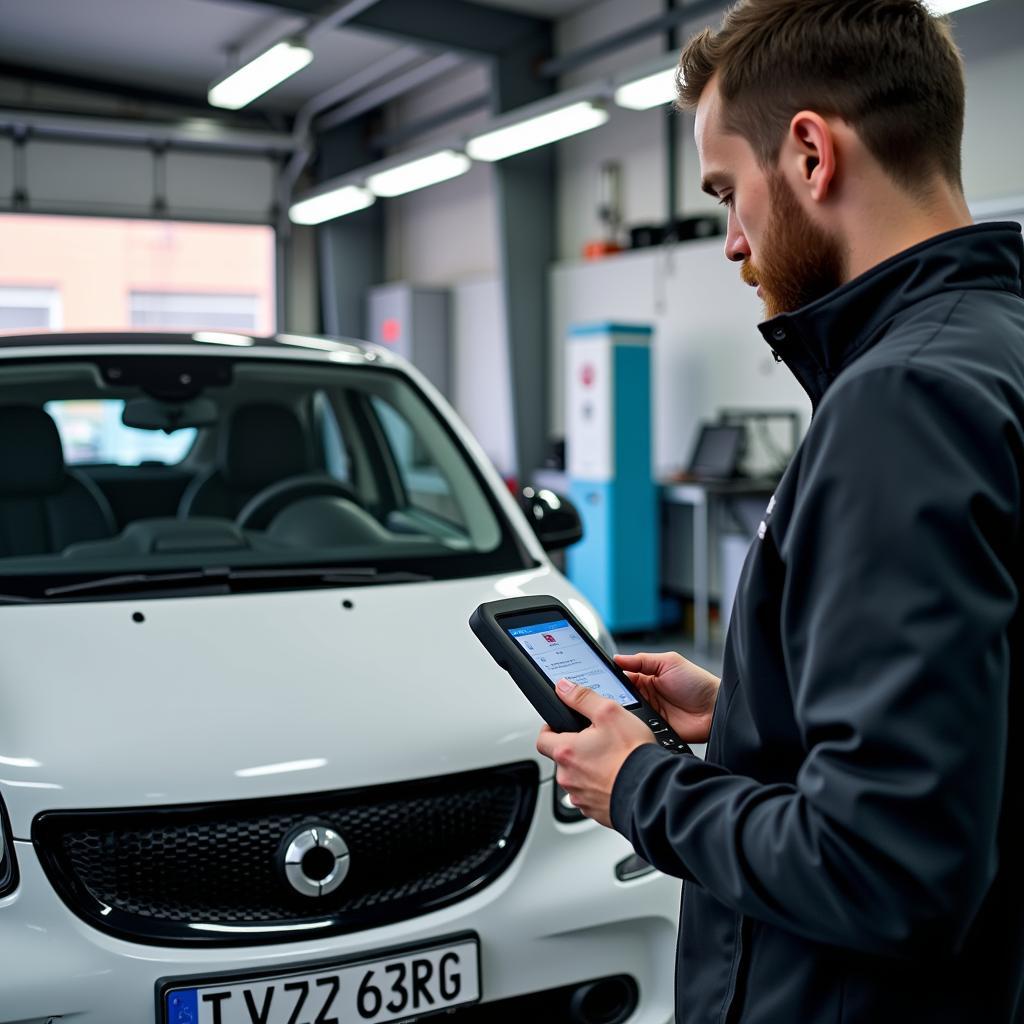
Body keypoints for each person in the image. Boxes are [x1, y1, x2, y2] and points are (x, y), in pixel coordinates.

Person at [535, 1, 1024, 1020]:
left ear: (808, 152)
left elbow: (884, 867)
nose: (729, 242)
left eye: (726, 192)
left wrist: (639, 785)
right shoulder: (994, 351)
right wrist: (754, 708)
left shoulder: (901, 402)